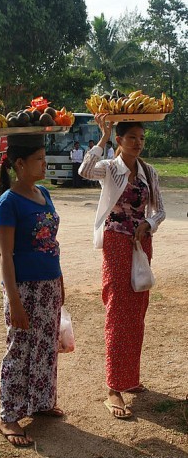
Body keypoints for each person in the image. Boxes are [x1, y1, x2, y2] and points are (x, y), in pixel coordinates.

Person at [79, 116, 165, 420]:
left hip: (142, 243)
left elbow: (160, 211)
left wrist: (149, 223)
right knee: (118, 309)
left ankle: (130, 378)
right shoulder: (110, 168)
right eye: (131, 138)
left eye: (141, 138)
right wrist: (101, 137)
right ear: (120, 141)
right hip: (115, 243)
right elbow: (85, 170)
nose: (138, 143)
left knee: (137, 309)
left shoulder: (149, 172)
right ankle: (114, 388)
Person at [0, 134, 65, 447]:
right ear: (20, 164)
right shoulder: (8, 202)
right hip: (23, 289)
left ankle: (41, 402)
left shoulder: (43, 192)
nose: (44, 163)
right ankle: (8, 417)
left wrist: (60, 281)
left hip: (49, 285)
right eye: (39, 159)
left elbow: (51, 244)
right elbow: (5, 256)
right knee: (19, 349)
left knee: (47, 346)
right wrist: (15, 301)